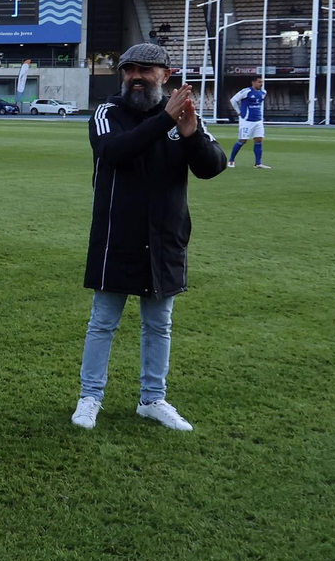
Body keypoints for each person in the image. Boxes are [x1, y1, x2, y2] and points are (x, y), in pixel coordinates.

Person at [72, 43, 226, 431]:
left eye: (145, 70)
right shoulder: (109, 113)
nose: (135, 77)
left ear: (165, 76)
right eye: (128, 70)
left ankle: (153, 399)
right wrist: (165, 121)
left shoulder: (185, 115)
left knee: (159, 324)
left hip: (165, 238)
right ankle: (90, 397)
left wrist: (190, 134)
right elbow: (114, 152)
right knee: (103, 321)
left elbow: (212, 167)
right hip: (116, 236)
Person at [228, 76, 270, 169]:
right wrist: (239, 112)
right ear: (253, 82)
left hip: (258, 120)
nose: (261, 84)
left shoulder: (263, 93)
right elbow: (233, 100)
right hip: (247, 120)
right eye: (259, 82)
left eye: (262, 82)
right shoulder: (246, 91)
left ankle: (258, 163)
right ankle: (231, 160)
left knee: (259, 140)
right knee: (243, 141)